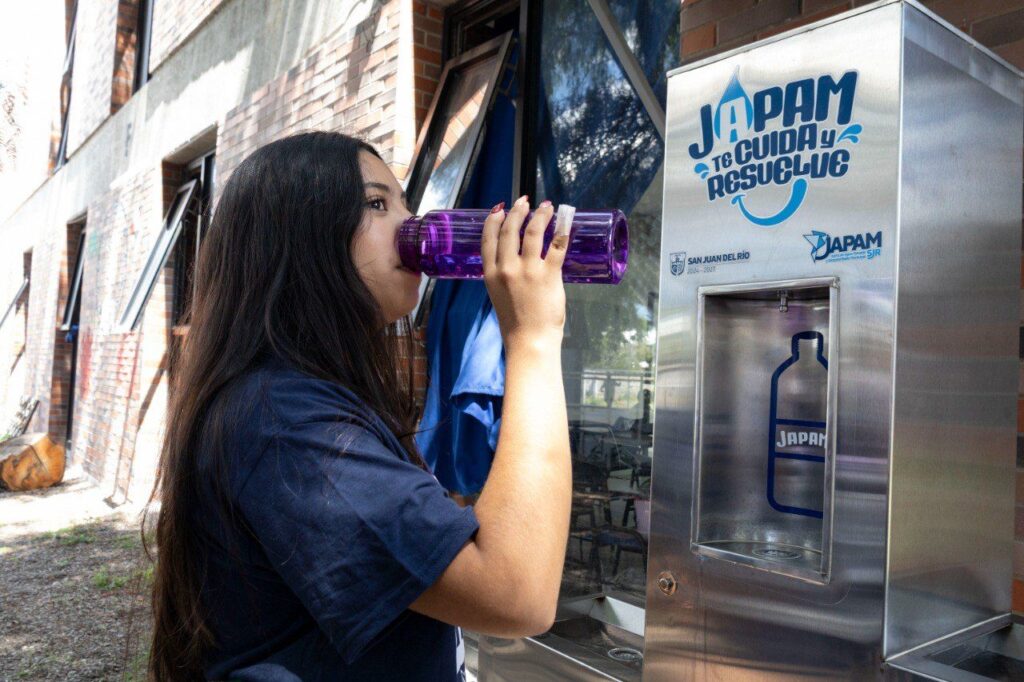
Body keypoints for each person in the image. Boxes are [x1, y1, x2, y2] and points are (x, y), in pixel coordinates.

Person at [145, 131, 572, 680]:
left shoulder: (304, 399)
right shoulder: (286, 425)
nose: (413, 227)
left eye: (406, 204)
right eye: (377, 204)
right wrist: (533, 337)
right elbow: (516, 593)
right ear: (297, 239)